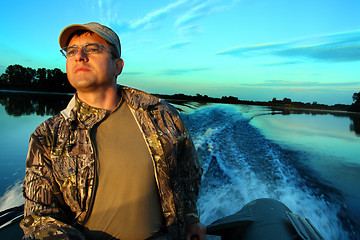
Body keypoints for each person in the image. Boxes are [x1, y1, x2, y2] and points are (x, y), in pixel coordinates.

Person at [20, 22, 206, 240]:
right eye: (71, 51)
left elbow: (189, 174)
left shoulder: (161, 115)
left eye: (92, 48)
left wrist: (192, 219)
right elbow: (39, 216)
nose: (79, 55)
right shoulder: (47, 136)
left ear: (118, 66)